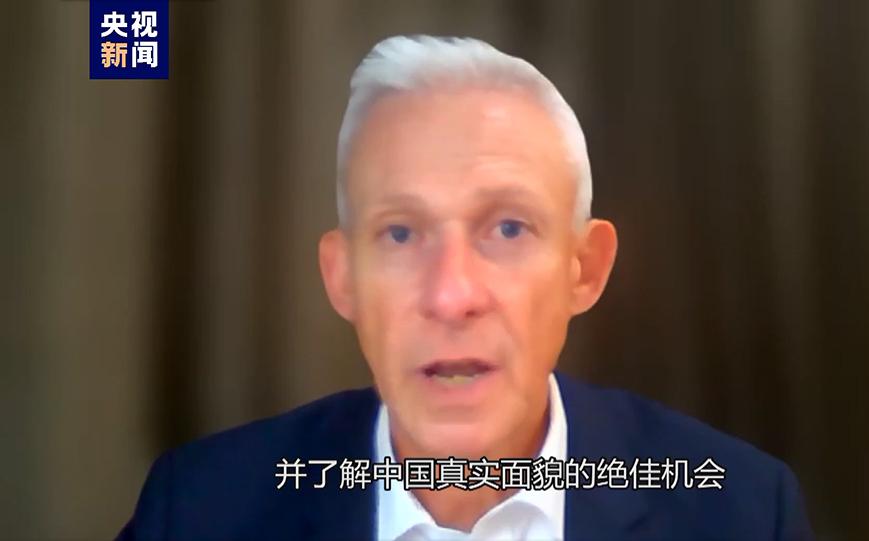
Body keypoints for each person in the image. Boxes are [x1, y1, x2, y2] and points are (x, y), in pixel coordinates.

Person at [117, 35, 814, 541]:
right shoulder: (200, 509)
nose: (451, 295)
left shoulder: (741, 512)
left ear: (585, 267)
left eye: (508, 228)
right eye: (400, 234)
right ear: (342, 277)